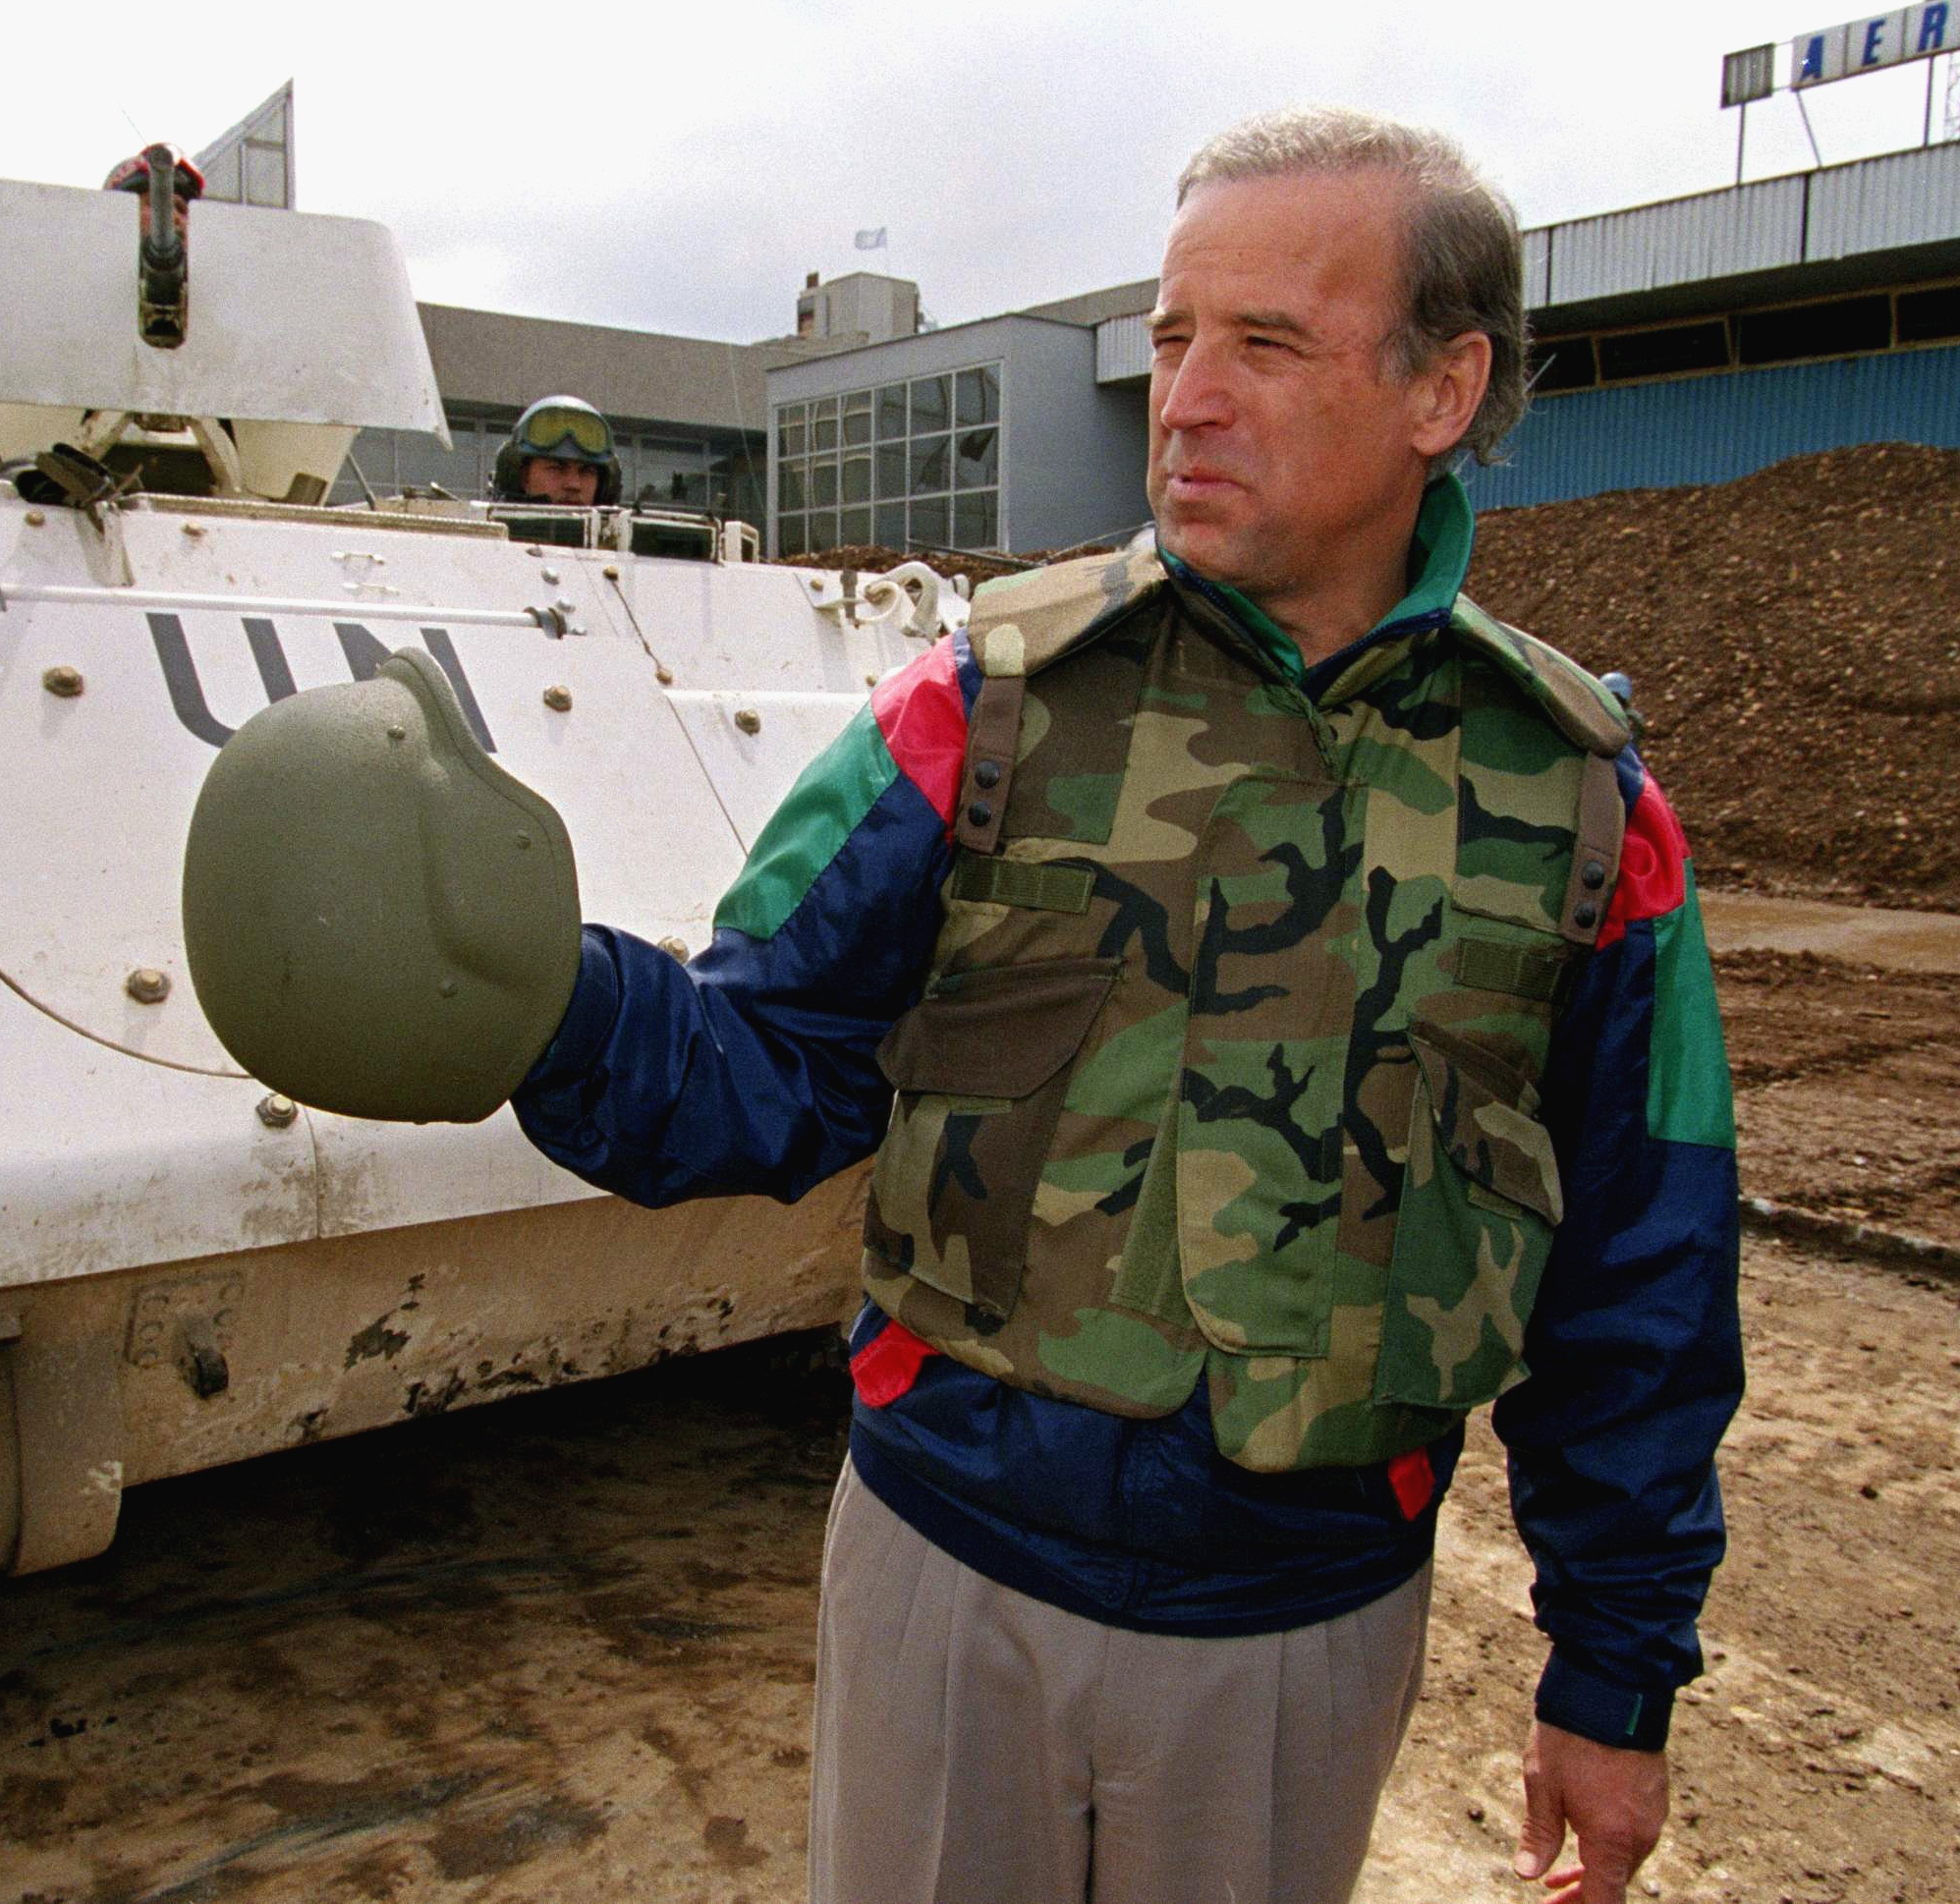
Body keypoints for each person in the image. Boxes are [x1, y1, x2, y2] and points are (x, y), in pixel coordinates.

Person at [496, 108, 1742, 1904]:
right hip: (952, 1575)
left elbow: (1648, 1263)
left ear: (1441, 390)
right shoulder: (982, 705)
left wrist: (1615, 1674)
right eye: (1172, 338)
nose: (1188, 397)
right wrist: (532, 994)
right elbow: (764, 1058)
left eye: (1266, 344)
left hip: (1295, 1631)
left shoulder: (1580, 806)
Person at [491, 395, 623, 507]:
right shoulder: (486, 536)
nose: (574, 484)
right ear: (524, 477)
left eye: (587, 471)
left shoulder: (621, 535)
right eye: (557, 468)